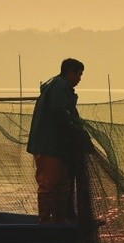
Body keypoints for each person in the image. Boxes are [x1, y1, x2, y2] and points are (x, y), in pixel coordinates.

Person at [27, 58, 87, 224]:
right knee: (48, 184)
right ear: (69, 72)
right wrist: (73, 130)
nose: (79, 79)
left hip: (59, 147)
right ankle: (45, 223)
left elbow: (67, 115)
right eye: (78, 74)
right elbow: (59, 112)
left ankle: (59, 221)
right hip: (48, 145)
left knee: (62, 185)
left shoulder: (63, 88)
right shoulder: (59, 86)